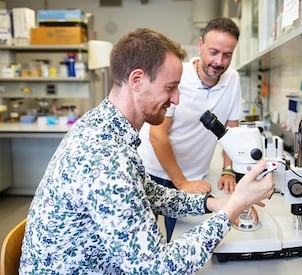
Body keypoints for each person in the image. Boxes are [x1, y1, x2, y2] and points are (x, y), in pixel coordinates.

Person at [19, 28, 274, 274]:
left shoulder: (104, 126)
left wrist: (214, 203)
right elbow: (155, 268)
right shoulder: (105, 158)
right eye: (170, 87)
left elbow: (148, 192)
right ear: (137, 81)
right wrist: (233, 209)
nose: (176, 99)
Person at [137, 17, 242, 241]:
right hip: (154, 171)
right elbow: (157, 136)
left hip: (195, 175)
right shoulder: (178, 76)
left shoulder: (232, 79)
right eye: (213, 51)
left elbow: (231, 130)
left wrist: (228, 169)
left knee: (178, 237)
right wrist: (182, 183)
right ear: (201, 44)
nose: (219, 61)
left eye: (227, 55)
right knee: (146, 240)